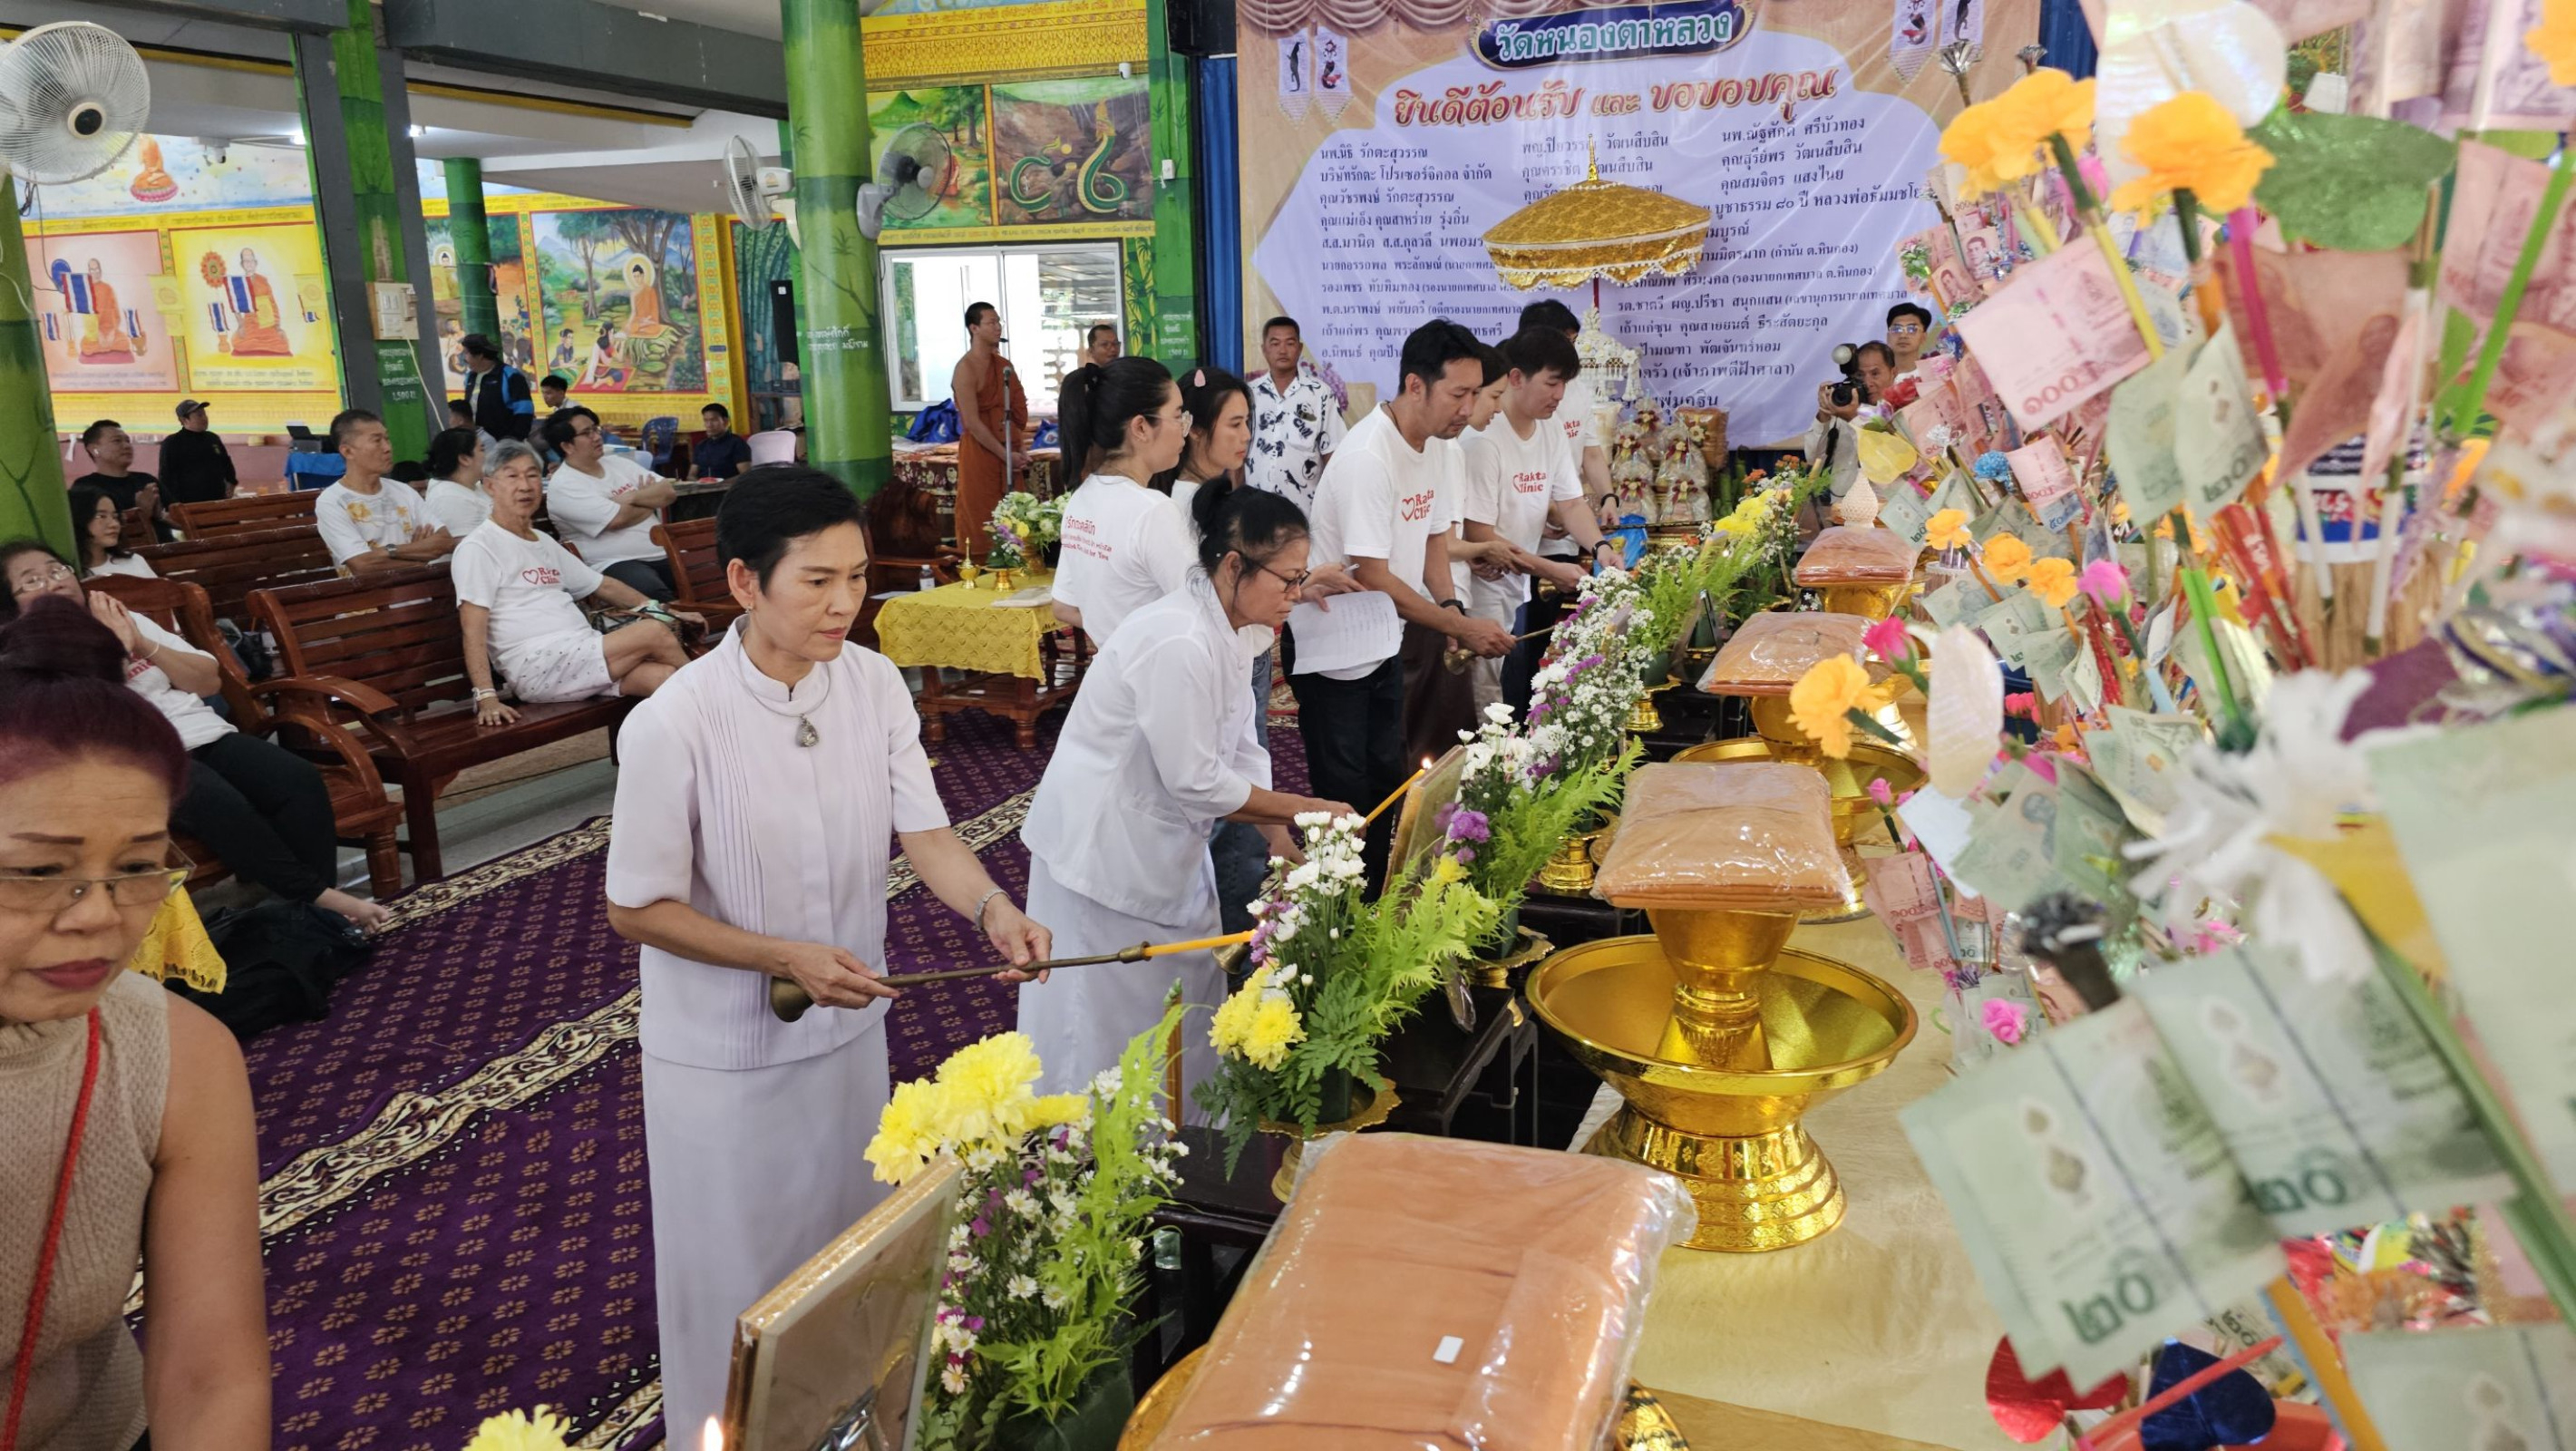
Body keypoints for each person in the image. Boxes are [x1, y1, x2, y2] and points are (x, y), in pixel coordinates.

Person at [604, 466, 1052, 1436]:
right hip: (723, 1062)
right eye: (816, 580)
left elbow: (926, 833)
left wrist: (992, 912)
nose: (845, 601)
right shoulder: (675, 723)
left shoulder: (874, 682)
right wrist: (780, 954)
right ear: (741, 584)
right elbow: (637, 906)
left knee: (853, 1261)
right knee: (741, 1288)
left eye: (855, 575)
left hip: (848, 1034)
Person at [0, 595, 270, 1451]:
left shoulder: (176, 1054)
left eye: (138, 868)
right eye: (41, 870)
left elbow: (209, 1373)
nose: (99, 916)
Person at [1020, 487, 1352, 1099]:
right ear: (1232, 566)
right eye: (1287, 579)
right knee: (1100, 1031)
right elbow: (1196, 779)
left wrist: (1281, 841)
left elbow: (1241, 750)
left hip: (1162, 843)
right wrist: (1312, 809)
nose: (1297, 595)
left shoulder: (1236, 626)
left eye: (1302, 578)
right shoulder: (1177, 638)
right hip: (1100, 853)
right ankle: (1093, 1160)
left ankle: (1181, 1145)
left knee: (1182, 1006)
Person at [3, 541, 392, 933]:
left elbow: (206, 681)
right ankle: (323, 900)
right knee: (219, 800)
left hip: (199, 732)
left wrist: (139, 642)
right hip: (132, 757)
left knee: (297, 779)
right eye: (31, 581)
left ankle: (304, 919)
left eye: (57, 570)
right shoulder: (26, 654)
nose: (52, 583)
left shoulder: (124, 617)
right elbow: (95, 717)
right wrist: (116, 649)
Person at [1294, 319, 1514, 885]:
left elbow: (1435, 537)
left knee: (1389, 780)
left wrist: (1451, 610)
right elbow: (1372, 574)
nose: (1468, 409)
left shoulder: (1441, 447)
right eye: (1457, 394)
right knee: (1345, 799)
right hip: (1335, 649)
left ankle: (1378, 900)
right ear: (1415, 386)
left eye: (1474, 393)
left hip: (1383, 637)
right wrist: (1456, 626)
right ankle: (1340, 913)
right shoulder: (1370, 455)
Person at [457, 442, 695, 719]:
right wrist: (487, 697)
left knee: (664, 677)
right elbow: (472, 628)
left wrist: (666, 611)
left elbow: (603, 585)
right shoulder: (480, 547)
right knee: (653, 633)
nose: (525, 485)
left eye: (532, 475)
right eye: (512, 476)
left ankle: (684, 755)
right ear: (489, 487)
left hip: (579, 654)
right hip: (536, 666)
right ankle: (726, 704)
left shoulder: (542, 541)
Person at [1462, 327, 1618, 716]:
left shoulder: (1549, 427)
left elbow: (1571, 502)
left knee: (1513, 685)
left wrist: (1600, 547)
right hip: (1480, 590)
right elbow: (1479, 533)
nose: (1559, 395)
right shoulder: (1484, 437)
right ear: (1516, 378)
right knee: (1487, 700)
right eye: (1551, 383)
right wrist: (1550, 568)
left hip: (1516, 579)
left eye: (1564, 384)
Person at [1405, 342, 1512, 765]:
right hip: (1429, 606)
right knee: (1434, 736)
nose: (1483, 409)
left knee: (1447, 728)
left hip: (1446, 599)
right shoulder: (1443, 448)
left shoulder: (1444, 447)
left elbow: (1439, 537)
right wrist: (1485, 549)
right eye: (1492, 396)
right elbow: (1440, 542)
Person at [1051, 357, 1193, 648]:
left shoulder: (1081, 498)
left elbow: (1064, 606)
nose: (1184, 428)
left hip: (1113, 671)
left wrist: (1118, 632)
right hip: (1158, 675)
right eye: (1178, 416)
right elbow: (1205, 610)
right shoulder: (1152, 510)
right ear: (1141, 427)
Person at [543, 405, 679, 599]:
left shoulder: (617, 463)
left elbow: (667, 491)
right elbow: (617, 520)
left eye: (595, 429)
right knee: (652, 592)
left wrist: (631, 497)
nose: (597, 437)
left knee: (712, 572)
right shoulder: (564, 486)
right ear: (567, 446)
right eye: (586, 433)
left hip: (664, 552)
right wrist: (649, 501)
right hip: (614, 563)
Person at [313, 409, 455, 576]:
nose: (387, 448)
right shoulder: (333, 502)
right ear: (348, 451)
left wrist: (389, 551)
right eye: (377, 441)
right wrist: (419, 557)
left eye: (387, 439)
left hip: (418, 593)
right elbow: (362, 564)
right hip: (370, 599)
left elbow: (444, 541)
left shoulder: (403, 491)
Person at [950, 302, 1026, 560]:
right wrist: (1004, 454)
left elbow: (1015, 411)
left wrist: (1020, 448)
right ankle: (982, 567)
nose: (998, 327)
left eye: (998, 322)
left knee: (1015, 512)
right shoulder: (965, 369)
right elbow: (972, 422)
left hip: (1008, 448)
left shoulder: (1004, 365)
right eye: (991, 323)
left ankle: (1016, 565)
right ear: (974, 328)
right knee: (981, 511)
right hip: (981, 453)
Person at [1247, 316, 1346, 511]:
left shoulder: (1320, 394)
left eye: (1289, 343)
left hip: (1303, 512)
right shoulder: (1249, 394)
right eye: (1275, 343)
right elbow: (1238, 453)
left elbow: (1333, 455)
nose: (1282, 350)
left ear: (1300, 348)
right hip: (1254, 511)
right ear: (1264, 349)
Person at [1803, 341, 1896, 504]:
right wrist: (1823, 416)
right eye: (1860, 375)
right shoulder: (1844, 407)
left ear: (1893, 373)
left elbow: (1880, 464)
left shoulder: (1901, 412)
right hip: (1840, 508)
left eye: (1875, 374)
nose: (1868, 383)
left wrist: (1853, 418)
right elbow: (1813, 457)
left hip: (1884, 510)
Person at [71, 420, 170, 542]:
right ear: (94, 450)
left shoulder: (146, 480)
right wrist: (139, 513)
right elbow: (90, 531)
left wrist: (160, 515)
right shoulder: (85, 487)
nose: (126, 446)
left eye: (127, 441)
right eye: (117, 441)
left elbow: (180, 517)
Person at [68, 483, 156, 579]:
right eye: (101, 516)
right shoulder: (68, 576)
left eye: (115, 517)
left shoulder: (134, 561)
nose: (114, 524)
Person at [159, 399, 238, 506]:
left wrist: (231, 482)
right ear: (184, 420)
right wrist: (171, 504)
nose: (204, 418)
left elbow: (226, 462)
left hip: (218, 500)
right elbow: (165, 476)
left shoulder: (213, 438)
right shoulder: (172, 443)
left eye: (204, 414)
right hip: (189, 504)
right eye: (199, 415)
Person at [462, 332, 536, 443]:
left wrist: (513, 440)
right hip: (477, 444)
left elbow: (524, 410)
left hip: (504, 445)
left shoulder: (510, 375)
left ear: (480, 355)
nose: (464, 358)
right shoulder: (470, 377)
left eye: (466, 353)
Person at [422, 427, 493, 539]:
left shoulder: (475, 487)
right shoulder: (447, 499)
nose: (487, 455)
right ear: (464, 459)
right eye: (482, 450)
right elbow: (469, 548)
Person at [689, 403, 752, 481]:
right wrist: (699, 484)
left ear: (726, 422)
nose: (709, 425)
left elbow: (746, 475)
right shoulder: (701, 446)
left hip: (727, 489)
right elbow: (691, 475)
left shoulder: (737, 443)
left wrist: (720, 485)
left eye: (713, 420)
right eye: (706, 420)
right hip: (702, 489)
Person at [1887, 302, 1934, 383]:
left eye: (1911, 329)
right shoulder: (1878, 377)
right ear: (1888, 337)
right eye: (1897, 329)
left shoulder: (1934, 376)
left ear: (1924, 337)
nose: (1903, 335)